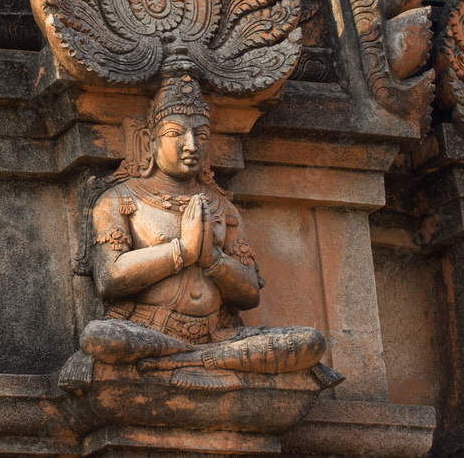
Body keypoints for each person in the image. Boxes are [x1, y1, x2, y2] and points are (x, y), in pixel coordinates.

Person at [78, 75, 329, 376]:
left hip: (219, 333)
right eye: (175, 133)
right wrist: (182, 251)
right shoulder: (119, 198)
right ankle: (212, 359)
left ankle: (189, 359)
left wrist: (213, 259)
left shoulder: (224, 207)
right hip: (148, 329)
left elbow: (249, 294)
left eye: (202, 135)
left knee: (310, 342)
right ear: (148, 141)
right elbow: (109, 278)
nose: (191, 145)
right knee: (100, 338)